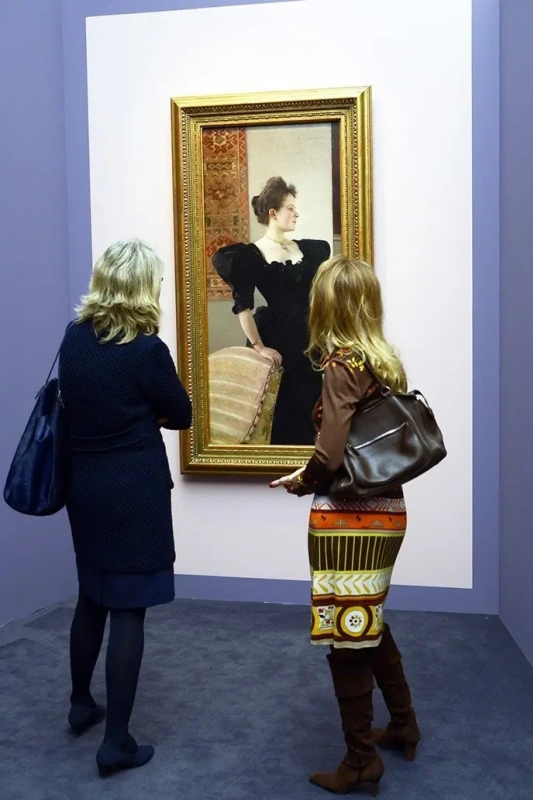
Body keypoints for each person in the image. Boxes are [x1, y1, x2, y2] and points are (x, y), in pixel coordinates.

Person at [270, 256, 420, 795]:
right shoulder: (385, 361)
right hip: (388, 512)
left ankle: (360, 761)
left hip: (349, 520)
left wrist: (302, 481)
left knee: (348, 633)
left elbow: (331, 453)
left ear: (326, 305)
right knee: (368, 616)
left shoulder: (340, 363)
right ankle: (402, 724)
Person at [59, 239, 192, 777]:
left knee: (91, 595)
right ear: (142, 288)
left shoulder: (74, 338)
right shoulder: (145, 350)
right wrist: (142, 415)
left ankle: (80, 703)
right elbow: (181, 413)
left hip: (84, 486)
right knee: (128, 610)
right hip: (133, 490)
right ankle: (116, 743)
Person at [212, 176, 330, 445]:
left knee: (310, 403)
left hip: (309, 338)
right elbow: (243, 307)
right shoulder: (251, 255)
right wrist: (259, 346)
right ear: (273, 213)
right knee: (281, 409)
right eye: (290, 208)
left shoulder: (310, 249)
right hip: (277, 338)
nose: (296, 213)